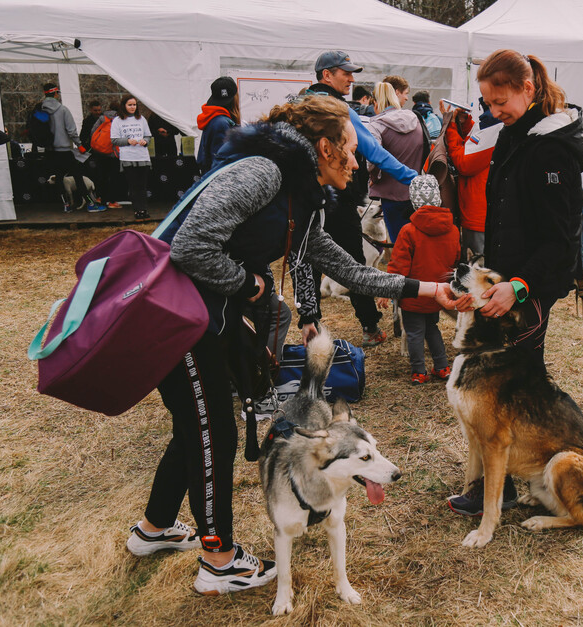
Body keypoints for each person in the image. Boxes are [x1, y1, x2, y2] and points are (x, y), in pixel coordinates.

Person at [130, 95, 456, 595]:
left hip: (199, 320)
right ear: (324, 148)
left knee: (196, 427)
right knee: (213, 432)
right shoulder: (264, 173)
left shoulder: (300, 200)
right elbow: (190, 245)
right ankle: (218, 561)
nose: (359, 162)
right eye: (351, 149)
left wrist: (427, 290)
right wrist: (251, 287)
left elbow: (348, 270)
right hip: (176, 321)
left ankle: (153, 529)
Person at [447, 49, 583, 518]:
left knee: (503, 391)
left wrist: (520, 286)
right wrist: (490, 274)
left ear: (528, 89)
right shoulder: (513, 134)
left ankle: (503, 483)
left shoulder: (551, 149)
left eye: (500, 100)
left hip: (529, 292)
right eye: (487, 102)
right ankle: (506, 477)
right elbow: (508, 217)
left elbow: (562, 241)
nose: (493, 111)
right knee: (507, 391)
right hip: (506, 282)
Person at [306, 50, 418, 346]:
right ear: (327, 75)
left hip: (307, 197)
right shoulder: (336, 108)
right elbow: (372, 150)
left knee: (307, 260)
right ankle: (370, 327)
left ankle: (312, 328)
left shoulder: (302, 103)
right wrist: (412, 177)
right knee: (354, 262)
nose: (352, 78)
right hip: (337, 199)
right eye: (346, 72)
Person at [380, 175, 459, 384]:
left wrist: (386, 291)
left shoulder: (408, 231)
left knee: (414, 332)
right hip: (438, 293)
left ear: (413, 201)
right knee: (432, 329)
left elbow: (398, 266)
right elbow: (455, 260)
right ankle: (442, 367)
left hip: (413, 292)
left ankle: (419, 371)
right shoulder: (452, 230)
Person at [367, 81, 426, 243]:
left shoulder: (377, 125)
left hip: (391, 194)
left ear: (375, 102)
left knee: (400, 245)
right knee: (417, 243)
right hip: (418, 192)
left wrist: (373, 178)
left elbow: (372, 159)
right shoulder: (416, 119)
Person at [443, 98, 502, 260]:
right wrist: (465, 123)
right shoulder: (494, 122)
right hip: (481, 209)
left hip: (478, 212)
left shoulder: (493, 125)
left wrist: (451, 127)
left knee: (476, 266)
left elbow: (465, 162)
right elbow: (476, 142)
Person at [40, 83, 103, 212]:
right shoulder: (63, 110)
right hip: (64, 150)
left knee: (59, 178)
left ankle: (66, 205)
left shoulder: (41, 110)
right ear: (56, 93)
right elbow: (71, 131)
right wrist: (79, 145)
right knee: (78, 177)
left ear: (44, 94)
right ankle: (91, 204)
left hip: (50, 150)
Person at [110, 95, 153, 220]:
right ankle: (137, 210)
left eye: (134, 105)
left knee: (142, 185)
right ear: (124, 106)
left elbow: (148, 136)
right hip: (128, 157)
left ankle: (144, 209)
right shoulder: (118, 121)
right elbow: (114, 139)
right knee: (134, 185)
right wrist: (128, 141)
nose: (132, 107)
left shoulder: (141, 119)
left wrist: (145, 141)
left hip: (142, 156)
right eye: (130, 105)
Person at [196, 76, 239, 175]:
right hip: (218, 180)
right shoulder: (221, 123)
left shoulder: (214, 119)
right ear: (234, 98)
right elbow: (220, 161)